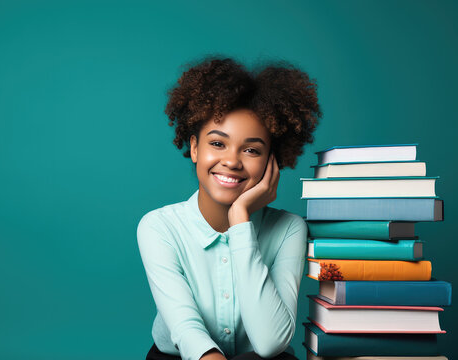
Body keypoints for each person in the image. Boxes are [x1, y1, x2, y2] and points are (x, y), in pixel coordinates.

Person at [137, 57, 321, 360]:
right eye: (218, 144)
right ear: (195, 148)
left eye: (251, 150)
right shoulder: (158, 227)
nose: (233, 161)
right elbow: (186, 330)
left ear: (271, 162)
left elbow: (271, 343)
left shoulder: (290, 229)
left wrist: (240, 222)